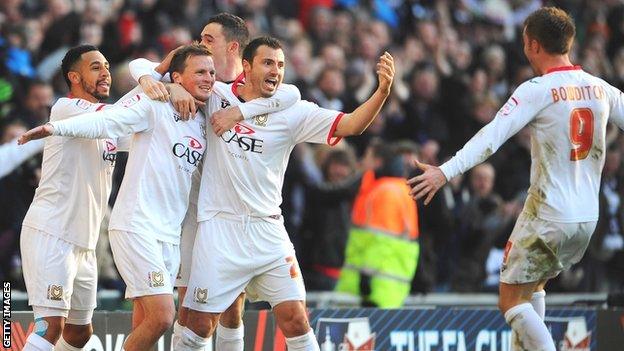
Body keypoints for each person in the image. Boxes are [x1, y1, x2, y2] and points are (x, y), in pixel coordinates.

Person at [20, 43, 299, 351]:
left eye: (211, 73)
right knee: (158, 317)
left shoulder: (203, 117)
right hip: (77, 229)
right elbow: (111, 118)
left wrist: (232, 107)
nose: (209, 78)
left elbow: (290, 94)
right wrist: (53, 127)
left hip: (119, 238)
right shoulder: (73, 107)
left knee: (80, 334)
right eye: (96, 67)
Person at [408, 7, 624, 351]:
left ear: (532, 45)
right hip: (586, 219)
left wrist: (444, 171)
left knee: (510, 299)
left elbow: (491, 137)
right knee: (532, 287)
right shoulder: (600, 88)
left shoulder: (536, 89)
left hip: (549, 213)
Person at [176, 36, 394, 351]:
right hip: (220, 229)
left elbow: (352, 125)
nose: (275, 71)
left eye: (280, 65)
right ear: (246, 67)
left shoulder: (293, 111)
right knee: (198, 327)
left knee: (295, 320)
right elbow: (161, 75)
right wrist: (172, 87)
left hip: (268, 231)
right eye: (267, 63)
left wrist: (382, 92)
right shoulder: (217, 96)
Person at [128, 13, 300, 351]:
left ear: (233, 47)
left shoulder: (253, 93)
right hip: (189, 210)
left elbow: (291, 93)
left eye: (208, 39)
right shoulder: (200, 84)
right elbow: (139, 66)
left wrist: (241, 113)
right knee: (192, 311)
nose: (199, 42)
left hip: (235, 217)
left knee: (233, 309)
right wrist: (169, 83)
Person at [19, 44, 118, 351]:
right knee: (50, 327)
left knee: (79, 333)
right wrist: (150, 82)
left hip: (84, 242)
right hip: (53, 232)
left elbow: (139, 127)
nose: (106, 73)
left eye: (107, 67)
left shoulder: (111, 123)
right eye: (96, 67)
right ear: (74, 76)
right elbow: (131, 113)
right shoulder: (65, 108)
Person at [335, 141, 419, 308]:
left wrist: (366, 276)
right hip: (380, 283)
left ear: (377, 162)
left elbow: (380, 241)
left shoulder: (385, 192)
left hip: (376, 286)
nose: (362, 161)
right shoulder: (390, 188)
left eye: (366, 157)